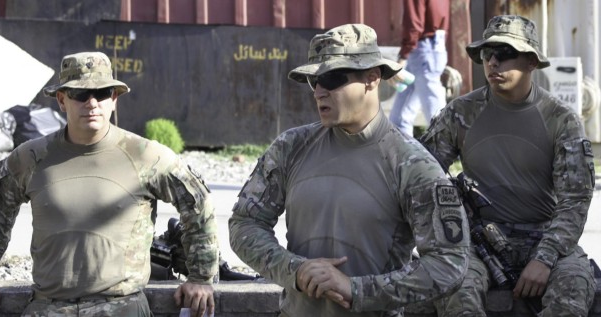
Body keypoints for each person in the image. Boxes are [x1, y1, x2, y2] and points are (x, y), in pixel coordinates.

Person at [229, 23, 470, 317]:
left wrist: (356, 290)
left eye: (331, 78)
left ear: (372, 78)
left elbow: (450, 262)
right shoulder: (291, 147)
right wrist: (295, 269)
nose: (318, 92)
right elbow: (245, 224)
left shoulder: (412, 165)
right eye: (313, 81)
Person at [0, 51, 219, 317]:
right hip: (49, 307)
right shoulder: (30, 158)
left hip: (122, 306)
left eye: (103, 93)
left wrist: (200, 277)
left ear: (114, 99)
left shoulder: (146, 155)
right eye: (80, 95)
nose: (92, 103)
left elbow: (196, 202)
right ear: (62, 100)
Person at [420, 15, 596, 316]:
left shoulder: (560, 119)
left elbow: (575, 200)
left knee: (573, 289)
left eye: (504, 54)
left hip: (545, 236)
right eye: (488, 54)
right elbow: (420, 174)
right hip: (476, 240)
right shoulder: (461, 112)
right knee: (455, 288)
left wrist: (545, 258)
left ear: (531, 62)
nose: (493, 63)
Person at [388, 0, 449, 137]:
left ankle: (447, 147)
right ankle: (402, 152)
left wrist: (403, 56)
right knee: (401, 116)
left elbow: (414, 24)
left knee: (434, 109)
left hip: (422, 49)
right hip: (434, 46)